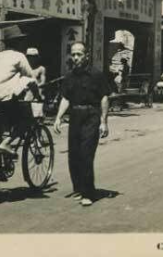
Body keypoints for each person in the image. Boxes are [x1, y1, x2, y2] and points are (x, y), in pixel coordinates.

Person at [54, 42, 111, 206]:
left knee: (86, 154)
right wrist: (58, 117)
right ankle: (78, 188)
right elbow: (65, 98)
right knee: (74, 155)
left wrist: (104, 122)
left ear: (87, 55)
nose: (76, 57)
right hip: (75, 116)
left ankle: (88, 193)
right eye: (73, 54)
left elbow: (104, 97)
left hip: (91, 115)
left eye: (79, 54)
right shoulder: (69, 76)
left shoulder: (96, 75)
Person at [0, 25, 41, 156]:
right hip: (2, 100)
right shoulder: (19, 56)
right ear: (18, 42)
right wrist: (38, 96)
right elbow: (31, 78)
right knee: (26, 121)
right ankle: (7, 143)